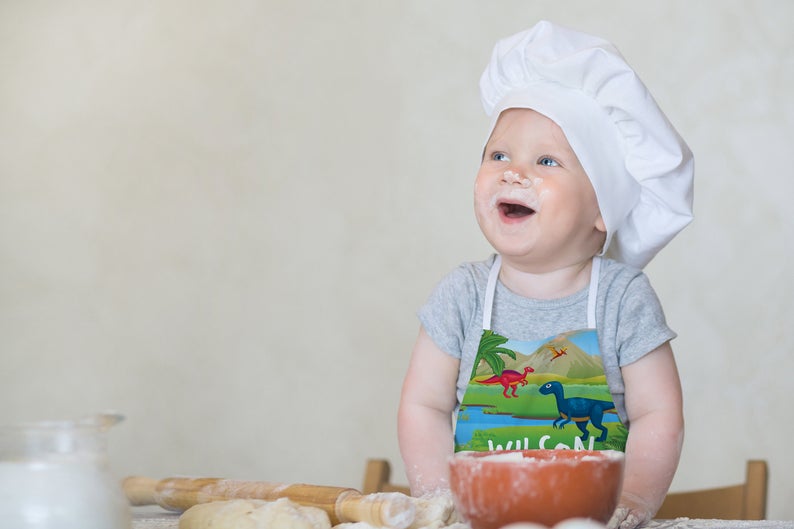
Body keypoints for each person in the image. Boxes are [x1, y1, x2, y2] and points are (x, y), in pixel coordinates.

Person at [397, 20, 693, 529]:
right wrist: (437, 498)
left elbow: (657, 414)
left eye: (547, 160)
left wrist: (636, 500)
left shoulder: (621, 299)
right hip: (482, 519)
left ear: (603, 207)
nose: (514, 171)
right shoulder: (463, 295)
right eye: (498, 155)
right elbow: (422, 404)